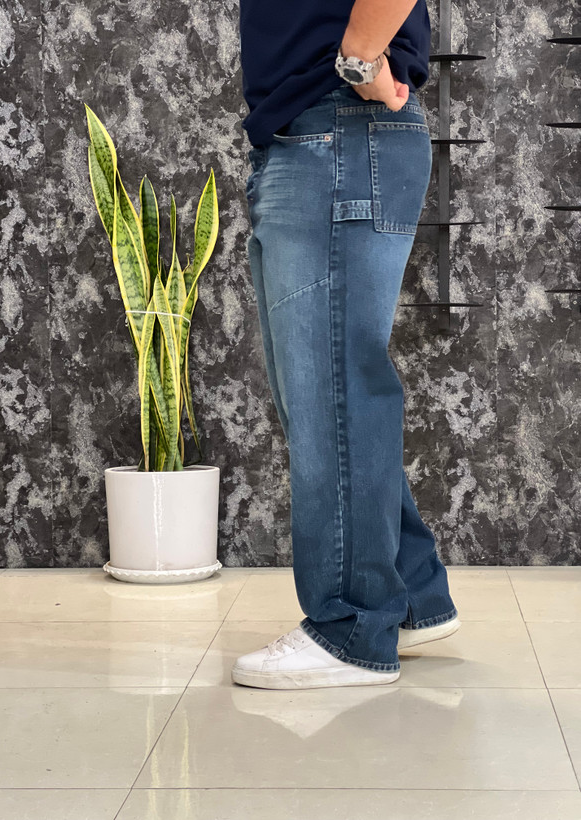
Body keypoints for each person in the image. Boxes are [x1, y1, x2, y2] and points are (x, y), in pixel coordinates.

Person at [232, 0, 460, 690]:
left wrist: (360, 60)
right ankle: (410, 597)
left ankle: (352, 625)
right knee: (332, 395)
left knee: (333, 397)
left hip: (337, 131)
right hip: (318, 135)